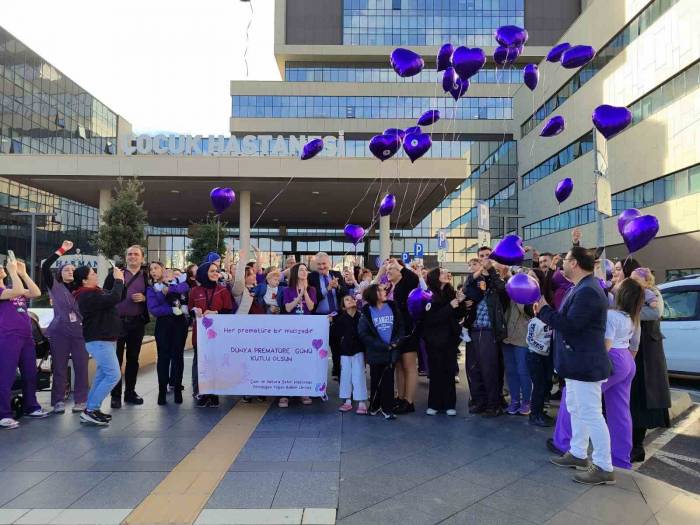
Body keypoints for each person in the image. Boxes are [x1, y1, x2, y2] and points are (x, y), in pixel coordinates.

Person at [535, 247, 615, 485]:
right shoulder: (582, 287)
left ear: (576, 264)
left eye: (566, 260)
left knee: (591, 413)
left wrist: (545, 310)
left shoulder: (588, 291)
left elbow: (571, 326)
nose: (562, 264)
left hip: (585, 364)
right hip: (576, 363)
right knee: (577, 409)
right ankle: (578, 453)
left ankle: (603, 465)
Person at [0, 259, 49, 429]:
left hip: (26, 337)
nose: (2, 268)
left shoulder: (11, 289)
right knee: (5, 377)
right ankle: (4, 414)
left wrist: (23, 273)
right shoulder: (5, 291)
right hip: (7, 337)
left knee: (30, 374)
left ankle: (31, 406)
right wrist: (13, 272)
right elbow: (19, 290)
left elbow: (35, 292)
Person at [41, 240, 89, 414]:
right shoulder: (55, 286)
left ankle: (81, 400)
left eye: (73, 270)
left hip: (80, 332)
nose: (70, 271)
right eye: (66, 269)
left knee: (81, 366)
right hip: (59, 331)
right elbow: (45, 267)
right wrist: (62, 250)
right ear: (60, 274)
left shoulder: (83, 289)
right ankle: (58, 401)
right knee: (60, 367)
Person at [601, 278, 644, 469]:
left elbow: (605, 346)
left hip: (612, 358)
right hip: (626, 359)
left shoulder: (611, 316)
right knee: (620, 412)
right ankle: (620, 458)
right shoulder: (632, 317)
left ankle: (564, 441)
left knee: (577, 397)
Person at [628, 268, 671, 462]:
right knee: (634, 401)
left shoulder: (653, 294)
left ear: (647, 281)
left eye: (637, 280)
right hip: (637, 354)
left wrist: (629, 311)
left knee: (642, 401)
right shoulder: (635, 294)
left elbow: (654, 312)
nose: (634, 283)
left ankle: (637, 446)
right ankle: (632, 444)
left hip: (647, 358)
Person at [73, 265, 124, 425]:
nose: (96, 275)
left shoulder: (95, 292)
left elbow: (114, 296)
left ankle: (92, 409)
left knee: (102, 375)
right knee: (113, 375)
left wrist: (116, 278)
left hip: (106, 340)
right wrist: (119, 280)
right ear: (84, 279)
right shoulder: (86, 295)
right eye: (93, 273)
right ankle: (90, 410)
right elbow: (114, 297)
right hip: (99, 340)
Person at [464, 247, 508, 417]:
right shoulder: (476, 279)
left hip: (489, 330)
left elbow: (503, 291)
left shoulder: (499, 279)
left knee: (489, 369)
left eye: (487, 256)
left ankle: (493, 405)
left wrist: (491, 270)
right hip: (474, 329)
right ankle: (479, 401)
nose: (484, 259)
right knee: (473, 368)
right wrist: (477, 274)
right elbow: (468, 290)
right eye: (481, 256)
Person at [104, 245, 149, 409]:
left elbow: (153, 297)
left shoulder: (146, 277)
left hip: (137, 322)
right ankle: (115, 396)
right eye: (129, 254)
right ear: (126, 257)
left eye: (136, 254)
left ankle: (130, 392)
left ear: (142, 258)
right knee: (116, 360)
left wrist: (144, 298)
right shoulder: (115, 274)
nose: (132, 257)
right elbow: (105, 295)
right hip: (117, 322)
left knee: (133, 359)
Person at [188, 262, 234, 408]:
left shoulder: (223, 290)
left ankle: (213, 393)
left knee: (215, 362)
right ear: (203, 274)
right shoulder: (195, 291)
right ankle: (200, 392)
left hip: (218, 335)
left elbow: (228, 310)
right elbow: (190, 309)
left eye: (217, 271)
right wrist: (195, 311)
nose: (216, 273)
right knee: (199, 363)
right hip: (200, 335)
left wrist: (216, 313)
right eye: (212, 271)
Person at [422, 267, 466, 416]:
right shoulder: (429, 295)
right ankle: (434, 404)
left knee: (449, 372)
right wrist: (449, 307)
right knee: (435, 373)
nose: (447, 274)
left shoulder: (451, 293)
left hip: (450, 340)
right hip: (434, 340)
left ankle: (449, 404)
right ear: (435, 277)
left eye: (448, 272)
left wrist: (460, 302)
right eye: (442, 272)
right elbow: (430, 319)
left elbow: (459, 315)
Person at [357, 284, 405, 420]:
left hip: (391, 351)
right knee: (375, 379)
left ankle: (387, 408)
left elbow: (400, 327)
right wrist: (381, 345)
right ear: (374, 294)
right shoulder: (366, 311)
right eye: (381, 290)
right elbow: (363, 333)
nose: (384, 291)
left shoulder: (392, 307)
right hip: (376, 351)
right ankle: (374, 405)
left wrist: (396, 342)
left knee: (388, 380)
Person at [147, 262, 190, 405]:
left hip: (179, 324)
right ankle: (162, 391)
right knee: (163, 358)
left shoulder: (178, 282)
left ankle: (177, 389)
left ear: (163, 270)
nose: (153, 271)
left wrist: (170, 287)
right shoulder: (152, 289)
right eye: (151, 269)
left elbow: (185, 288)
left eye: (156, 268)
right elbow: (154, 309)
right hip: (163, 325)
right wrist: (168, 307)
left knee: (178, 357)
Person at [384, 259, 419, 414]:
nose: (388, 271)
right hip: (395, 332)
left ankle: (409, 401)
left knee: (408, 365)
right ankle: (400, 396)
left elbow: (413, 278)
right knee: (398, 365)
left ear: (400, 271)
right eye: (388, 269)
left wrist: (400, 266)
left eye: (392, 269)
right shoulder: (390, 287)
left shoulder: (406, 283)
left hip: (408, 331)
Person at [281, 262, 317, 407]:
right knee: (288, 360)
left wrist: (305, 292)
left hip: (306, 330)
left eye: (305, 270)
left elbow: (310, 307)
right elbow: (288, 308)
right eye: (301, 270)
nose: (304, 272)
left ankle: (304, 390)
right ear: (295, 273)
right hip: (290, 329)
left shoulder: (312, 289)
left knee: (304, 360)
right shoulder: (287, 290)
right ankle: (285, 393)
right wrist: (298, 296)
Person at [309, 252, 347, 379]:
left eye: (324, 264)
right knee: (318, 351)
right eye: (318, 264)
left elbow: (346, 294)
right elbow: (314, 298)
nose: (321, 267)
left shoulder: (336, 275)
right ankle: (317, 379)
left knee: (337, 349)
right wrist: (327, 288)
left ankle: (339, 374)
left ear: (329, 263)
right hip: (319, 318)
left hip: (336, 317)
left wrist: (338, 287)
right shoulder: (311, 277)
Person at [502, 275, 534, 416]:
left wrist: (521, 296)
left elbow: (530, 312)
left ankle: (526, 401)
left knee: (523, 371)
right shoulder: (507, 292)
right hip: (507, 337)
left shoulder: (533, 294)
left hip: (522, 339)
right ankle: (514, 401)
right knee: (510, 371)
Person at [336, 294, 368, 414]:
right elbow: (336, 334)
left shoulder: (362, 316)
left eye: (352, 299)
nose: (350, 301)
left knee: (359, 374)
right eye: (346, 300)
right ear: (343, 306)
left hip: (358, 350)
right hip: (345, 351)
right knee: (345, 375)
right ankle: (347, 400)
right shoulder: (341, 318)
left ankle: (361, 402)